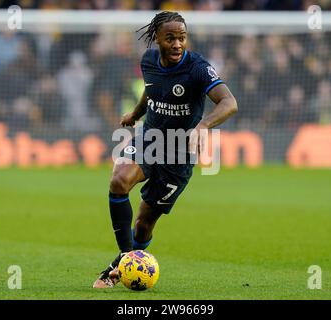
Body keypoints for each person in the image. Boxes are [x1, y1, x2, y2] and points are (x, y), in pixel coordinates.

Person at [93, 11, 238, 288]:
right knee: (119, 180)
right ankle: (125, 261)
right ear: (156, 38)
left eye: (182, 38)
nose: (177, 44)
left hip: (179, 155)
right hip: (149, 139)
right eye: (170, 38)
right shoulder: (148, 61)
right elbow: (151, 90)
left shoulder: (197, 68)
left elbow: (229, 103)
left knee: (144, 224)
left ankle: (121, 262)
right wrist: (136, 114)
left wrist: (203, 126)